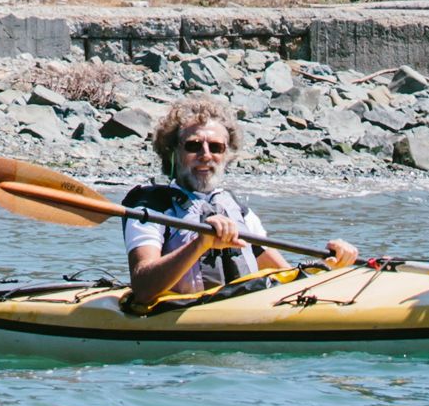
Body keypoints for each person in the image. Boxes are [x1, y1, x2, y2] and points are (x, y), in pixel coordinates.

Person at [123, 96, 359, 304]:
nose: (206, 155)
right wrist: (200, 244)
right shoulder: (149, 207)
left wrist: (330, 266)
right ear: (173, 151)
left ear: (226, 154)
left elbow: (284, 276)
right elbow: (143, 289)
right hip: (174, 322)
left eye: (215, 147)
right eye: (193, 146)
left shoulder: (238, 210)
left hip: (236, 319)